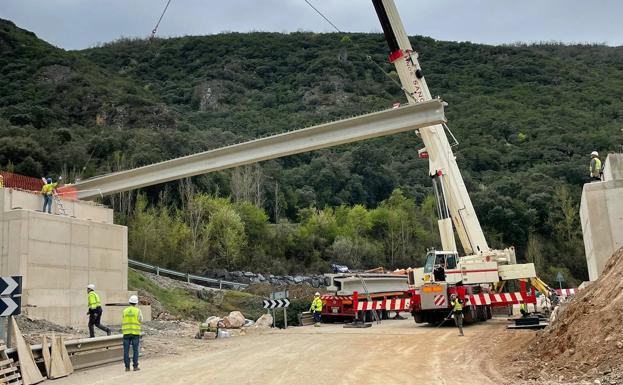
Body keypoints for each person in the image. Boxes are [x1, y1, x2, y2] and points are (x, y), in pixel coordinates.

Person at [122, 295, 143, 372]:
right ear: (136, 303)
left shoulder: (125, 311)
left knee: (126, 351)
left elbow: (123, 319)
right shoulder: (138, 311)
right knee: (135, 350)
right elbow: (141, 320)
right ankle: (135, 366)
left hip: (126, 333)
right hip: (135, 333)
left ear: (129, 301)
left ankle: (127, 367)